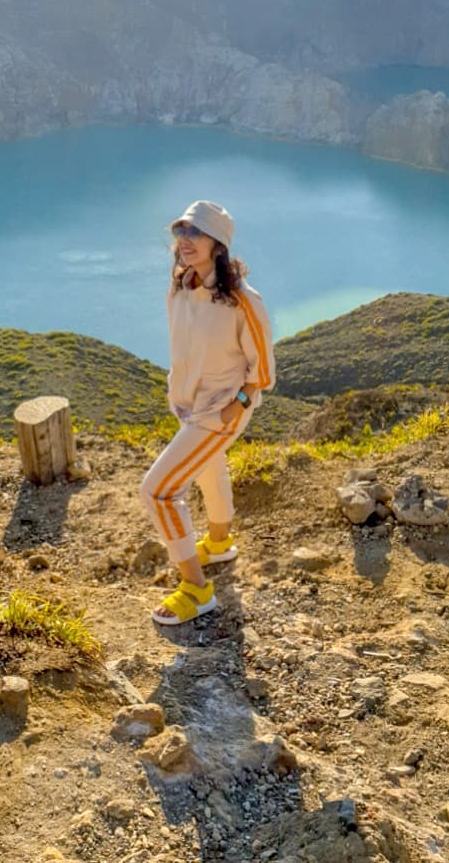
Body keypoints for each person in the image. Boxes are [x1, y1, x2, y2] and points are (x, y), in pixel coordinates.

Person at [140, 200, 276, 626]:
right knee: (208, 471)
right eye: (180, 232)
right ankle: (219, 544)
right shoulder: (182, 283)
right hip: (188, 403)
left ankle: (197, 590)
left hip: (220, 409)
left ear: (218, 244)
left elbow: (264, 372)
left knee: (158, 491)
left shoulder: (242, 301)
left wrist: (233, 410)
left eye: (195, 233)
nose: (184, 241)